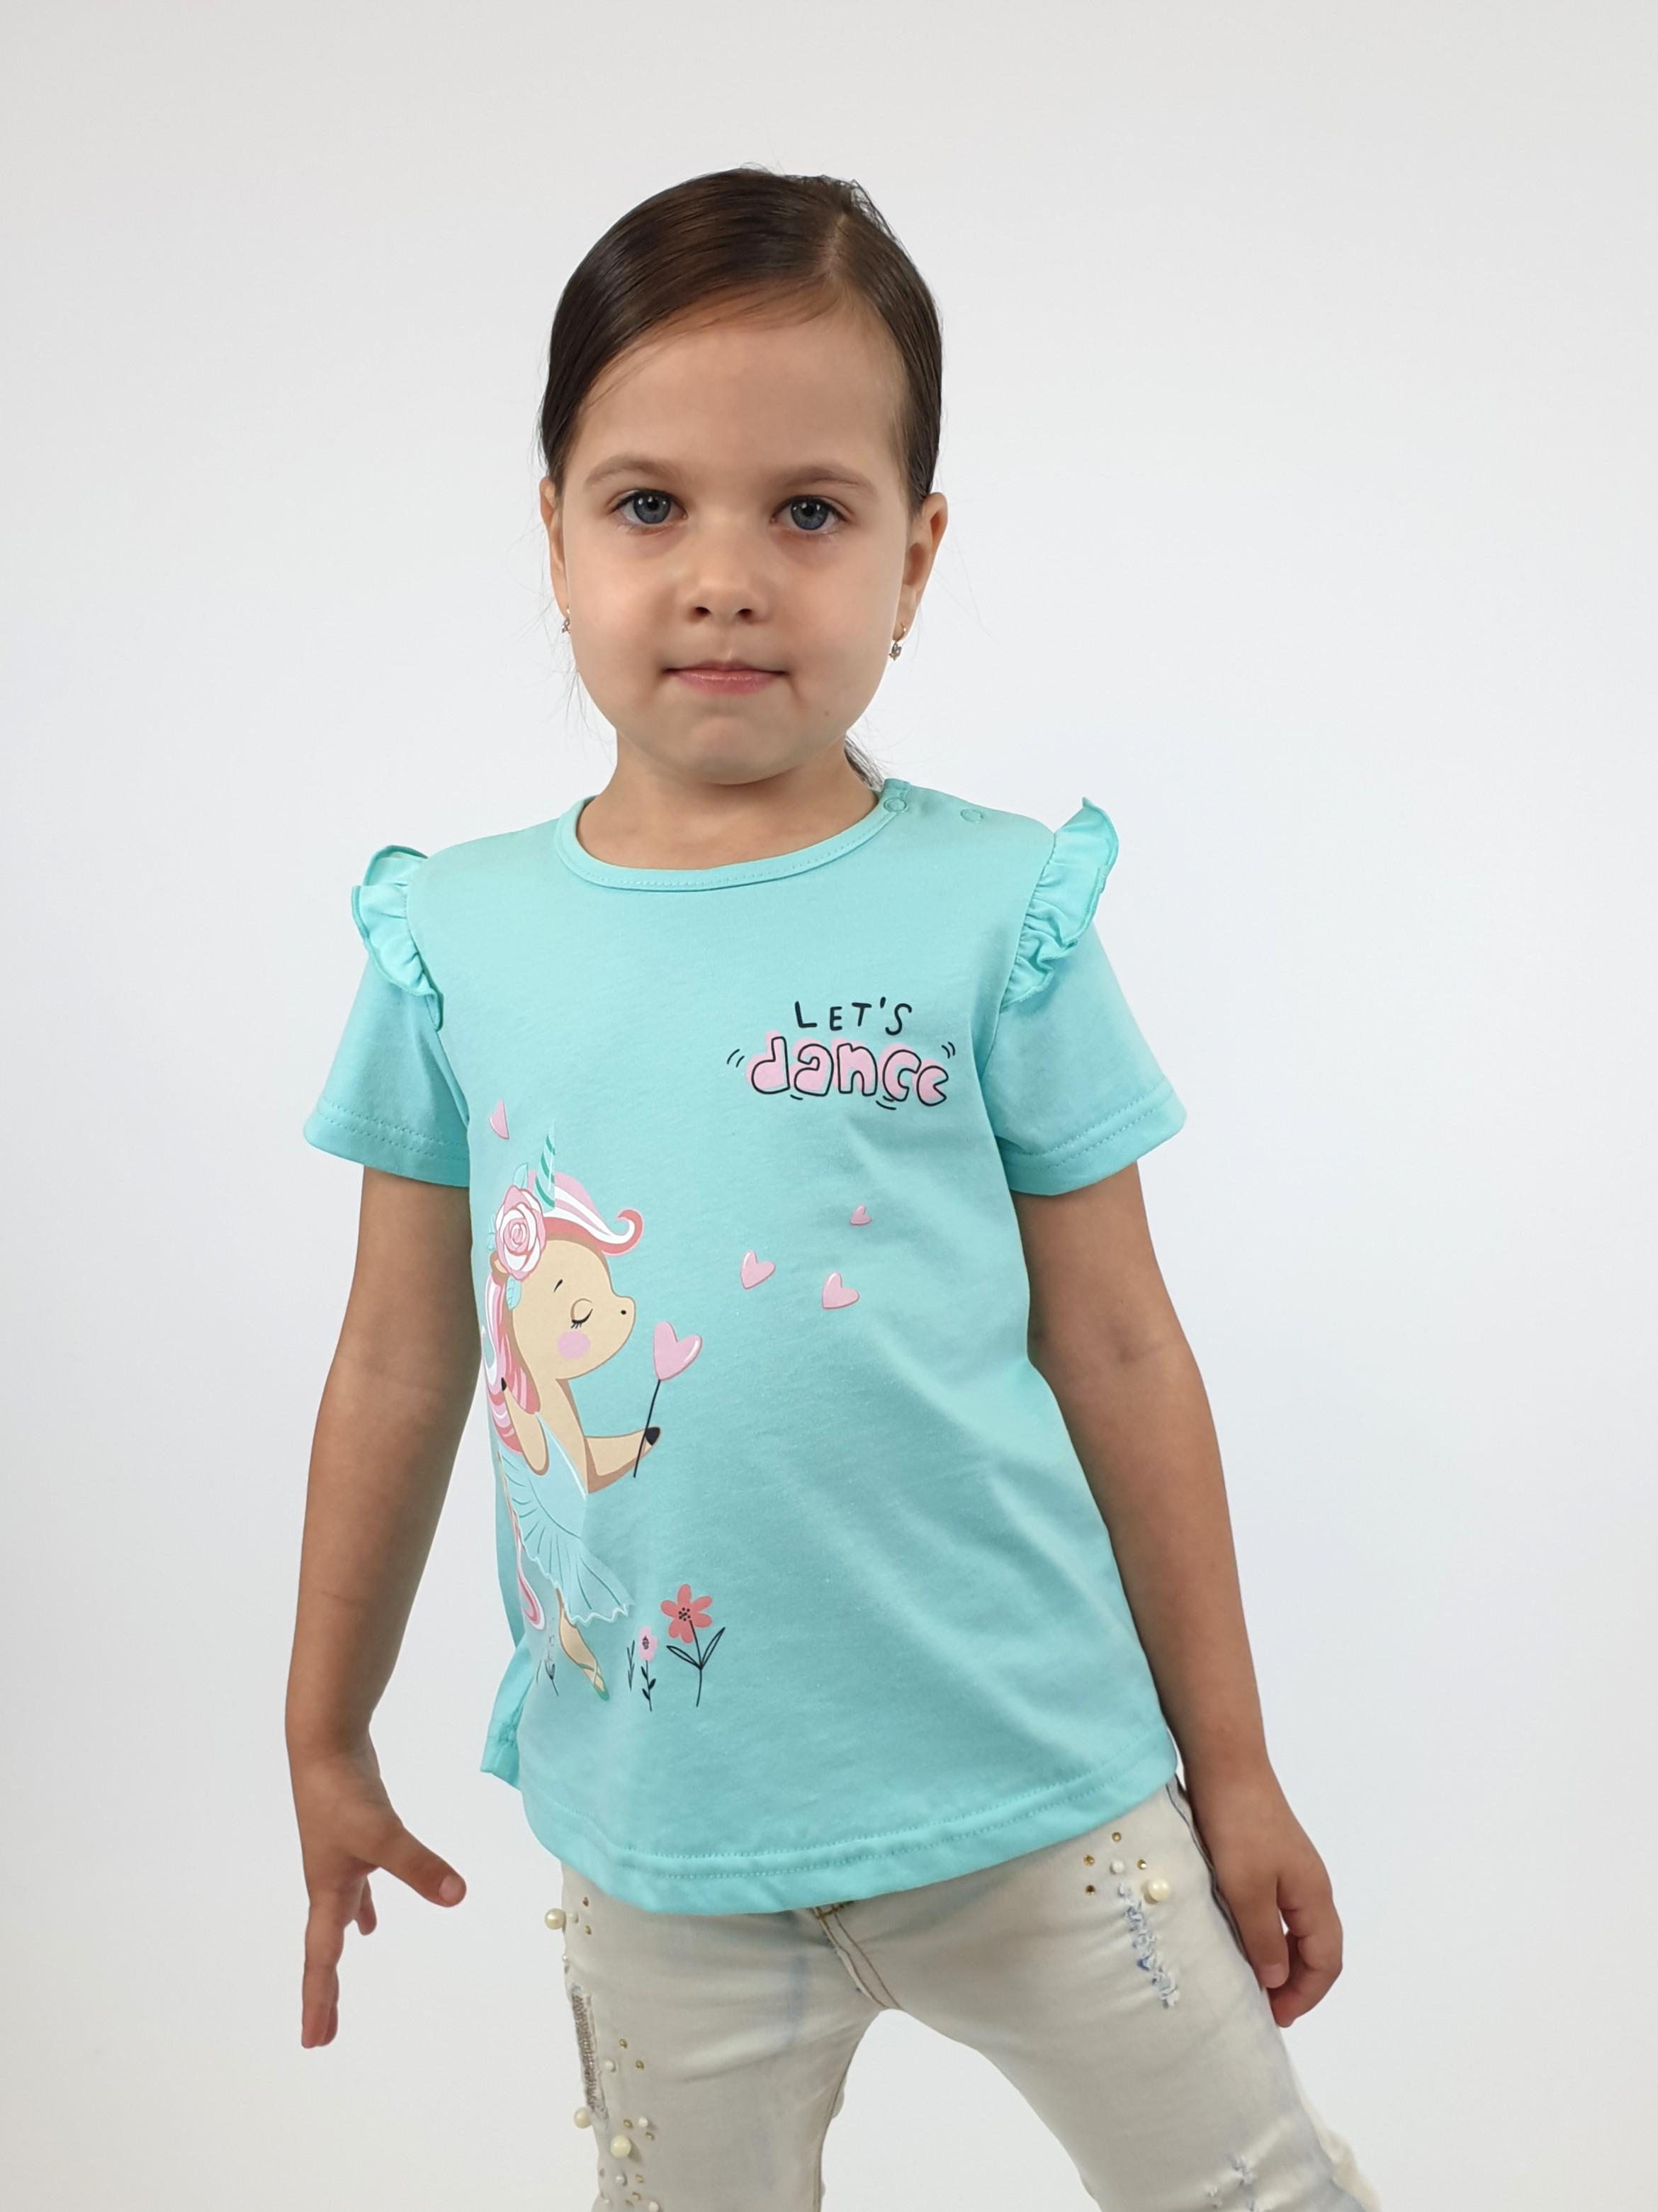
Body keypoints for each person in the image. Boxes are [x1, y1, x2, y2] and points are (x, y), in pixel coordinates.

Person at [288, 164, 1383, 2211]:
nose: (725, 579)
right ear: (551, 532)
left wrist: (1230, 1767)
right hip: (664, 1838)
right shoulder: (458, 935)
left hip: (1038, 1797)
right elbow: (396, 1359)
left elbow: (1121, 1347)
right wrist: (323, 1732)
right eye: (648, 505)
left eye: (807, 511)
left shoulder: (996, 908)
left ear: (914, 553)